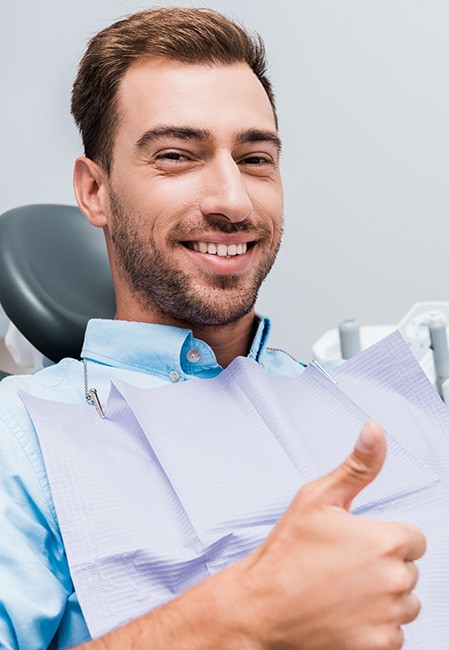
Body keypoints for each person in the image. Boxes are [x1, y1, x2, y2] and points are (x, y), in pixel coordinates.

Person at [0, 7, 425, 650]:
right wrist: (231, 619)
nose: (232, 200)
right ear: (95, 191)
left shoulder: (376, 406)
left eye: (256, 158)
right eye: (176, 156)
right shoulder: (20, 438)